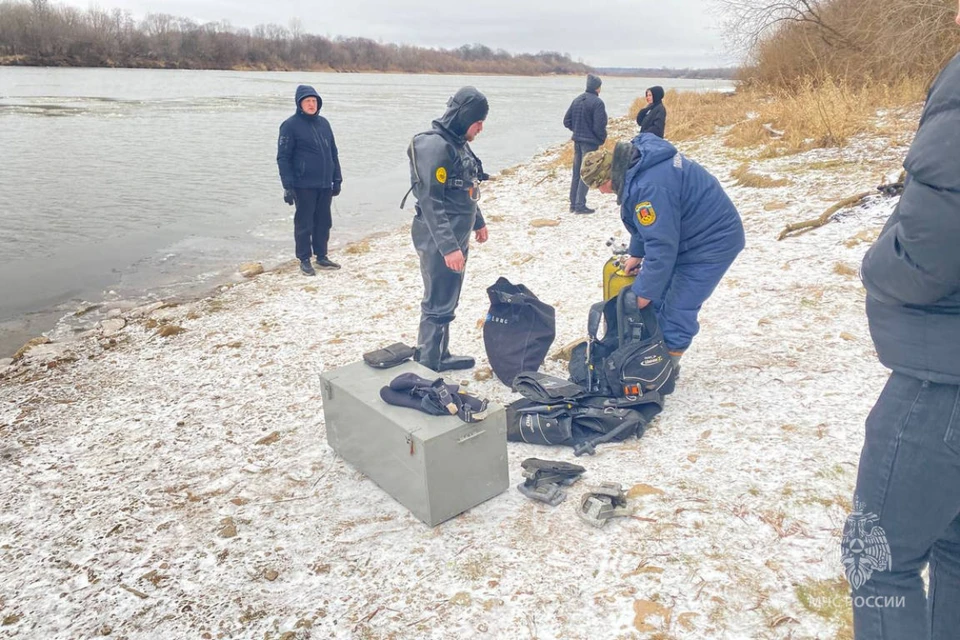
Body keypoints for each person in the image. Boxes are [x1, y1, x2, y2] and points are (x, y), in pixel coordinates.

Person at [842, 22, 960, 639]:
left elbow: (927, 254)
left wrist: (875, 260)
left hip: (942, 378)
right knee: (955, 548)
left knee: (878, 564)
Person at [580, 134, 744, 369]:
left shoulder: (649, 188)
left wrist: (645, 292)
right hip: (685, 237)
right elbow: (647, 226)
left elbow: (661, 245)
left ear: (608, 176)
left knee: (678, 306)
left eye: (599, 186)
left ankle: (663, 369)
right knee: (656, 299)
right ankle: (648, 353)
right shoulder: (635, 165)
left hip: (712, 242)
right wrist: (637, 253)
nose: (602, 193)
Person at [405, 87, 490, 372]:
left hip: (456, 233)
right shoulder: (434, 146)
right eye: (478, 121)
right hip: (437, 238)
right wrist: (449, 247)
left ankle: (441, 354)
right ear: (465, 116)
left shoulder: (457, 141)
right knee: (437, 301)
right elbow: (430, 202)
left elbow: (466, 186)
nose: (480, 127)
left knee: (448, 296)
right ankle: (428, 365)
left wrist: (477, 221)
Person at [277, 84, 343, 276]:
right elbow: (283, 158)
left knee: (323, 221)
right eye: (308, 101)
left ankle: (321, 256)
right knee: (304, 223)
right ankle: (304, 259)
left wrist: (337, 179)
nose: (312, 104)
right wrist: (287, 186)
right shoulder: (290, 125)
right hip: (303, 184)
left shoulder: (324, 123)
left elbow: (333, 152)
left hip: (324, 184)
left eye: (314, 101)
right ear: (300, 104)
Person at [563, 74, 608, 214]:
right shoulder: (597, 103)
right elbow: (599, 126)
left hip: (577, 140)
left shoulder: (577, 100)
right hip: (590, 142)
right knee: (587, 173)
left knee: (576, 172)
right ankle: (580, 205)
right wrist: (601, 139)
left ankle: (573, 204)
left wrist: (576, 130)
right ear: (597, 88)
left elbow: (566, 121)